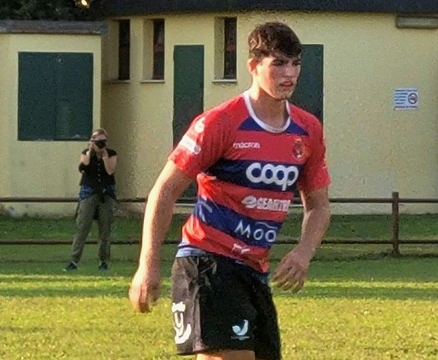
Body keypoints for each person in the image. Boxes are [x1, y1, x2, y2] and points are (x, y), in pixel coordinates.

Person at [129, 21, 331, 360]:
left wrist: (303, 252)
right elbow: (164, 191)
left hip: (254, 271)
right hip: (208, 263)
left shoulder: (307, 129)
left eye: (295, 63)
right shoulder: (221, 123)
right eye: (278, 63)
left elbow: (319, 205)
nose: (290, 73)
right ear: (253, 66)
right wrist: (147, 265)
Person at [64, 128, 118, 271]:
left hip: (106, 194)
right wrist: (90, 150)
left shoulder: (111, 153)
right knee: (82, 227)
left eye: (103, 141)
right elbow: (83, 167)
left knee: (105, 229)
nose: (100, 144)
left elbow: (110, 171)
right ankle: (74, 260)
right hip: (89, 192)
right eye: (97, 141)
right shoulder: (86, 153)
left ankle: (103, 260)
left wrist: (104, 155)